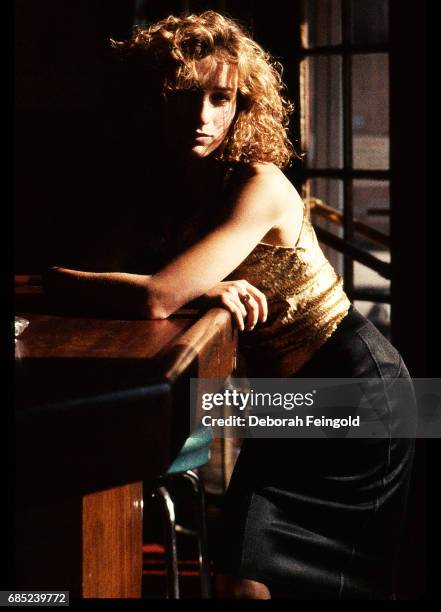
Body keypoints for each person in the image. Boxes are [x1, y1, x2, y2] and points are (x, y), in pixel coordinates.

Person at [44, 11, 416, 600]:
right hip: (289, 402)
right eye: (185, 96)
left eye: (222, 98)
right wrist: (201, 286)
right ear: (154, 101)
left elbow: (155, 296)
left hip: (360, 392)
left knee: (254, 576)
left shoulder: (258, 182)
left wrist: (52, 278)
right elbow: (157, 281)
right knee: (238, 569)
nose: (202, 117)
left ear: (244, 105)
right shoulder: (183, 184)